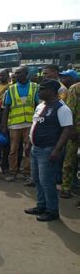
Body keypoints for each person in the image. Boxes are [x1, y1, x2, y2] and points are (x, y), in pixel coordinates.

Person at [24, 79, 73, 221]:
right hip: (36, 148)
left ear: (51, 91)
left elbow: (67, 130)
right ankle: (41, 205)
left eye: (42, 89)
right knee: (37, 180)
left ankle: (52, 211)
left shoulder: (62, 108)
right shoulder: (40, 106)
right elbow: (34, 125)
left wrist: (57, 150)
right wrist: (28, 144)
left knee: (47, 181)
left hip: (49, 149)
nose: (39, 92)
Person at [1, 66, 39, 182]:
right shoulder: (11, 89)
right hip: (15, 124)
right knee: (13, 150)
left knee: (28, 149)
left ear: (26, 74)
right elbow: (6, 109)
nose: (17, 76)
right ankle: (13, 172)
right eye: (16, 74)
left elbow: (38, 106)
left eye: (19, 73)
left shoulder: (34, 87)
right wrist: (3, 126)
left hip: (29, 123)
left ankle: (27, 172)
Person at [59, 70, 79, 199]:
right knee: (70, 160)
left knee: (69, 160)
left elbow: (70, 110)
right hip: (75, 132)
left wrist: (70, 130)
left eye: (65, 77)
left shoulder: (74, 88)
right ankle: (67, 187)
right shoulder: (74, 88)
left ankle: (66, 187)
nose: (63, 79)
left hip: (75, 132)